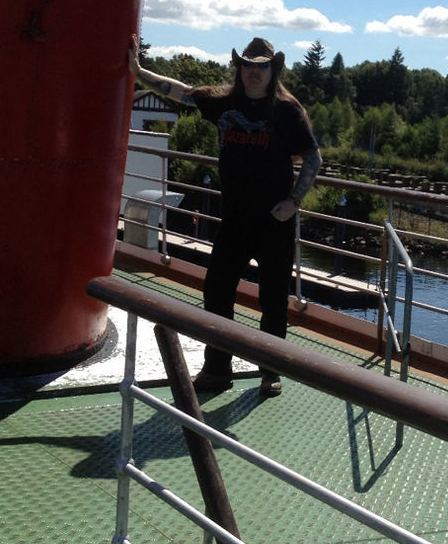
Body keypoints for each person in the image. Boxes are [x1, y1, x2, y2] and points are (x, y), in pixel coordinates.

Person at [128, 35, 321, 397]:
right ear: (239, 68)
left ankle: (270, 370)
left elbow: (313, 158)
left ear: (272, 69)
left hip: (274, 222)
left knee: (273, 299)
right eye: (248, 65)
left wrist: (294, 201)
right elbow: (181, 92)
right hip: (234, 220)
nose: (253, 72)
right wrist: (138, 71)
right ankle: (218, 369)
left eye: (261, 66)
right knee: (216, 292)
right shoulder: (224, 103)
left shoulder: (286, 111)